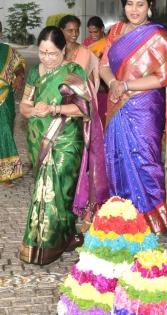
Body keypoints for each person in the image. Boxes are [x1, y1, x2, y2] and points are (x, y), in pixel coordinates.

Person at [19, 26, 107, 265]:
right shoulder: (35, 72)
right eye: (42, 53)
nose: (47, 59)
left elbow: (84, 108)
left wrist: (54, 109)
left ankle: (46, 246)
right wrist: (32, 110)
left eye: (52, 54)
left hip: (66, 139)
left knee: (59, 190)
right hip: (40, 139)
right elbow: (24, 107)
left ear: (63, 51)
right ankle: (66, 237)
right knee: (42, 190)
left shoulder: (72, 71)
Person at [100, 0, 167, 234]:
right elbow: (104, 65)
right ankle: (124, 217)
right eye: (130, 4)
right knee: (117, 155)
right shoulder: (116, 30)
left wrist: (126, 84)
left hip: (145, 106)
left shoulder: (157, 36)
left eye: (140, 4)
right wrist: (113, 83)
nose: (134, 9)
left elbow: (163, 77)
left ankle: (152, 221)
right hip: (118, 101)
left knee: (145, 158)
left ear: (149, 6)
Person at [0, 21, 25, 187]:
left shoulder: (7, 50)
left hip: (4, 98)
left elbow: (19, 67)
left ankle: (7, 173)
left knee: (5, 132)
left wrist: (19, 78)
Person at [58, 15, 99, 91]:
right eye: (70, 30)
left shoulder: (85, 52)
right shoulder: (55, 51)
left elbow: (90, 82)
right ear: (61, 30)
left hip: (78, 97)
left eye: (77, 30)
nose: (74, 34)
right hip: (55, 95)